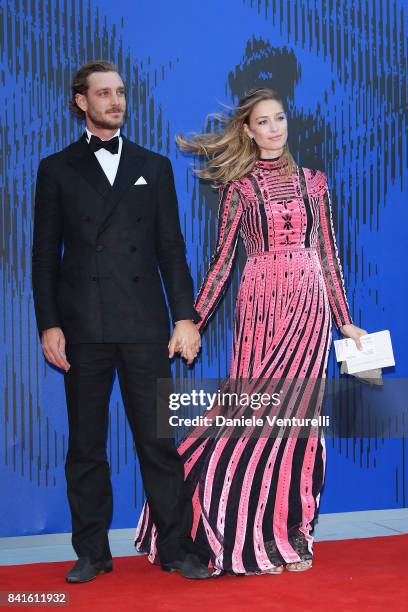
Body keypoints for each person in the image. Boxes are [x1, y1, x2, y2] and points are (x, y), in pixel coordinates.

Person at [135, 88, 367, 575]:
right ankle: (228, 527)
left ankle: (290, 535)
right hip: (260, 307)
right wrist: (191, 321)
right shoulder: (238, 190)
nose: (274, 128)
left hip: (309, 309)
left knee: (298, 425)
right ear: (248, 130)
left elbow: (328, 255)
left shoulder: (315, 183)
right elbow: (221, 265)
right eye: (263, 121)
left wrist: (344, 320)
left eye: (279, 118)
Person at [31, 60, 210, 582]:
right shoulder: (56, 169)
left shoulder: (152, 167)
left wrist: (186, 316)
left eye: (121, 92)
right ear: (81, 101)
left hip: (144, 324)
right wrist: (49, 322)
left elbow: (171, 250)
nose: (116, 100)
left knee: (157, 441)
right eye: (104, 93)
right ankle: (91, 551)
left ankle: (176, 548)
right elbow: (44, 256)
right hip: (83, 325)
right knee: (85, 444)